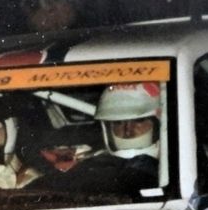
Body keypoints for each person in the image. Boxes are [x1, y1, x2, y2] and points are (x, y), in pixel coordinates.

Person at [29, 83, 161, 194]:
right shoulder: (93, 166)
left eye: (138, 120)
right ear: (106, 127)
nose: (128, 130)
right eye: (118, 123)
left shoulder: (168, 168)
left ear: (157, 123)